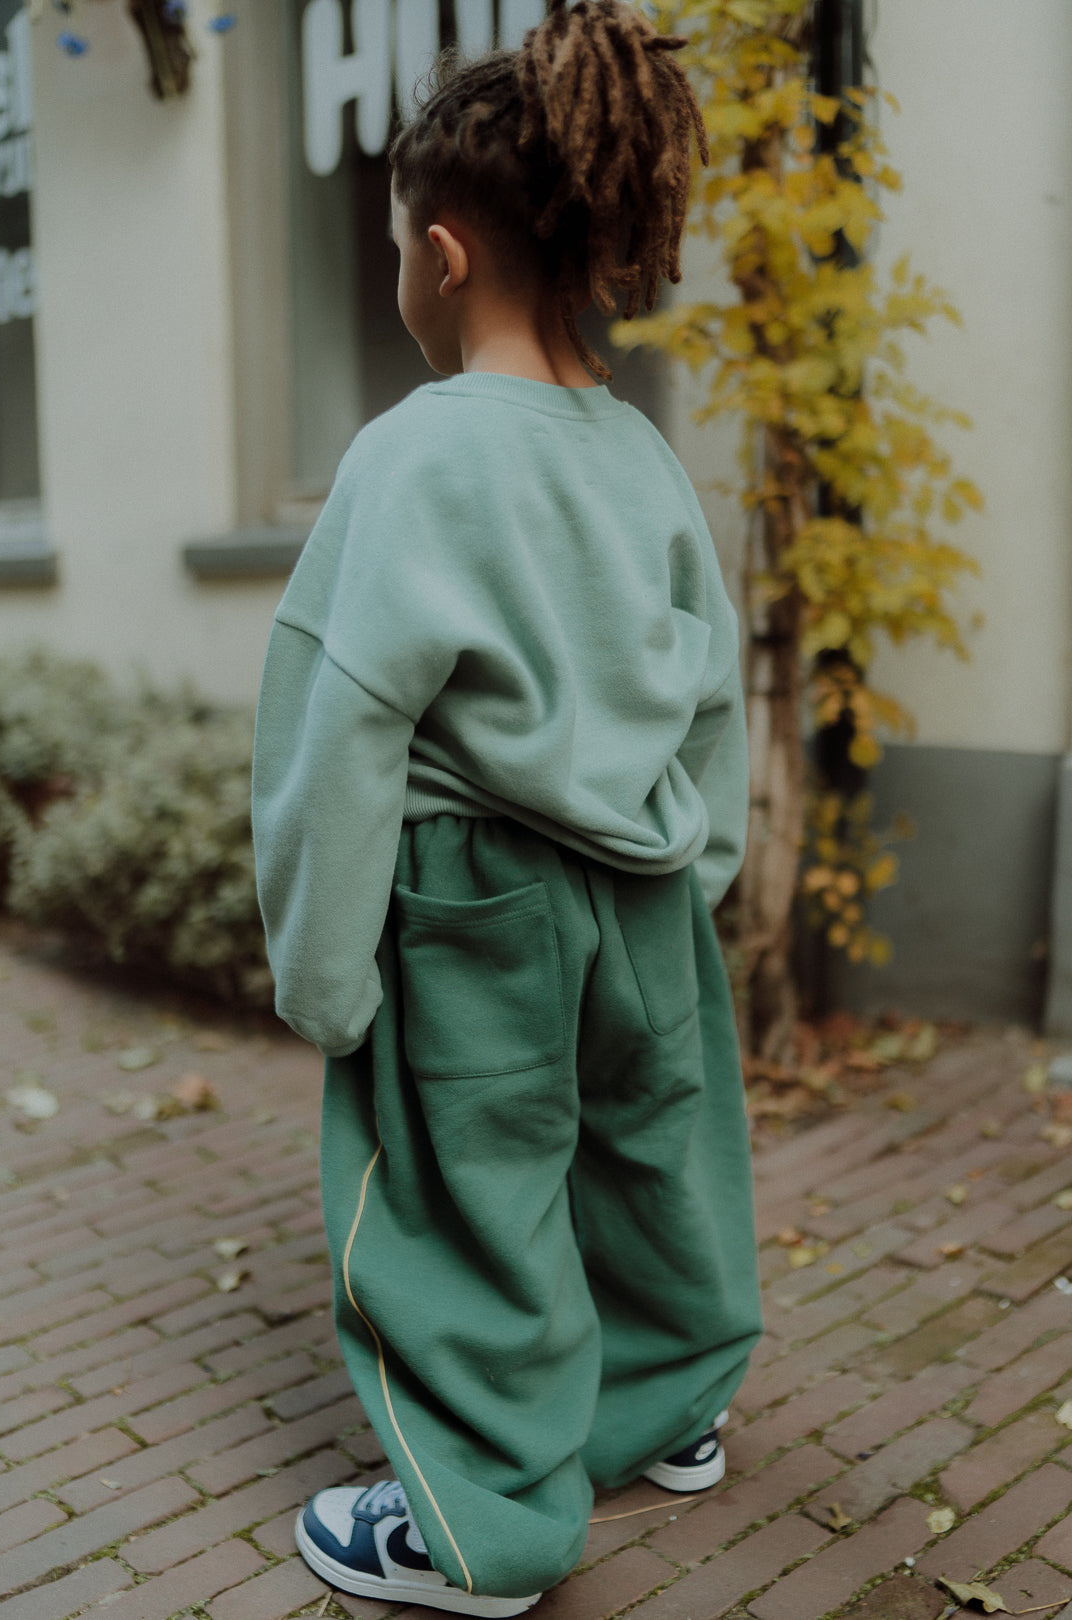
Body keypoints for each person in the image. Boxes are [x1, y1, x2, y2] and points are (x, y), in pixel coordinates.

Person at [251, 2, 762, 1613]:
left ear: (446, 253)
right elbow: (710, 688)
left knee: (467, 1194)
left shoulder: (413, 456)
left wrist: (324, 972)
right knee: (651, 1158)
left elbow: (342, 718)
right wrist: (699, 875)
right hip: (644, 890)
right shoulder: (639, 455)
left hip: (473, 899)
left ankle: (482, 1529)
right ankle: (669, 1407)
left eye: (398, 254)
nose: (398, 282)